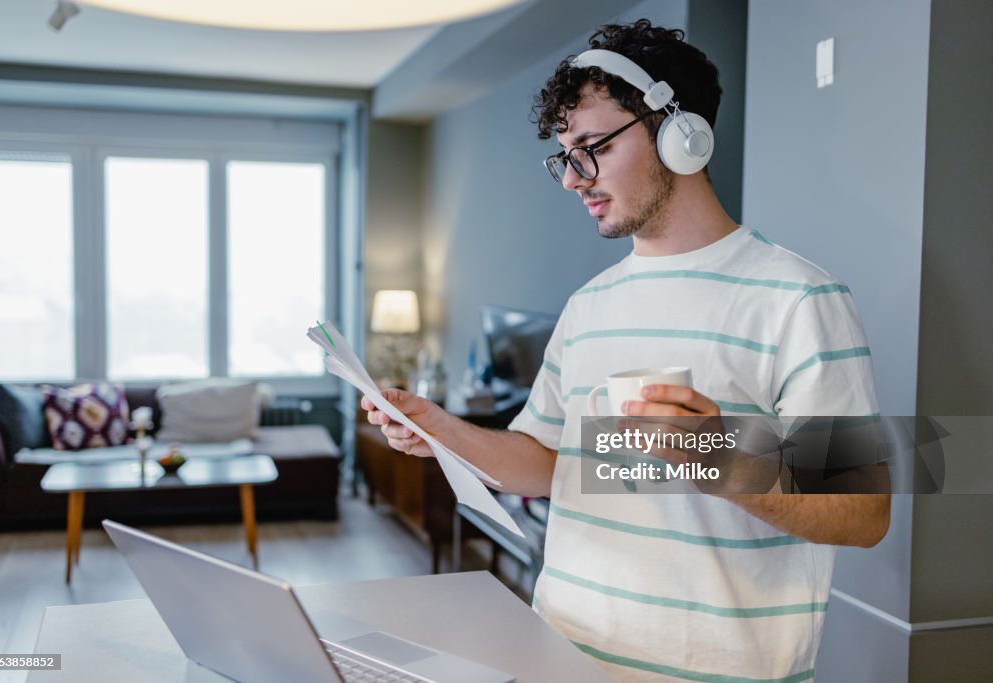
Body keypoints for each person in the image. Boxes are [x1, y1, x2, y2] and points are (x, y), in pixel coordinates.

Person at [362, 19, 890, 682]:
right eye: (565, 155)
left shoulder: (798, 299)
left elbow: (863, 510)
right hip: (562, 657)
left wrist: (721, 458)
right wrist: (443, 430)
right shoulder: (590, 307)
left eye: (593, 148)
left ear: (680, 133)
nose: (573, 179)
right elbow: (547, 463)